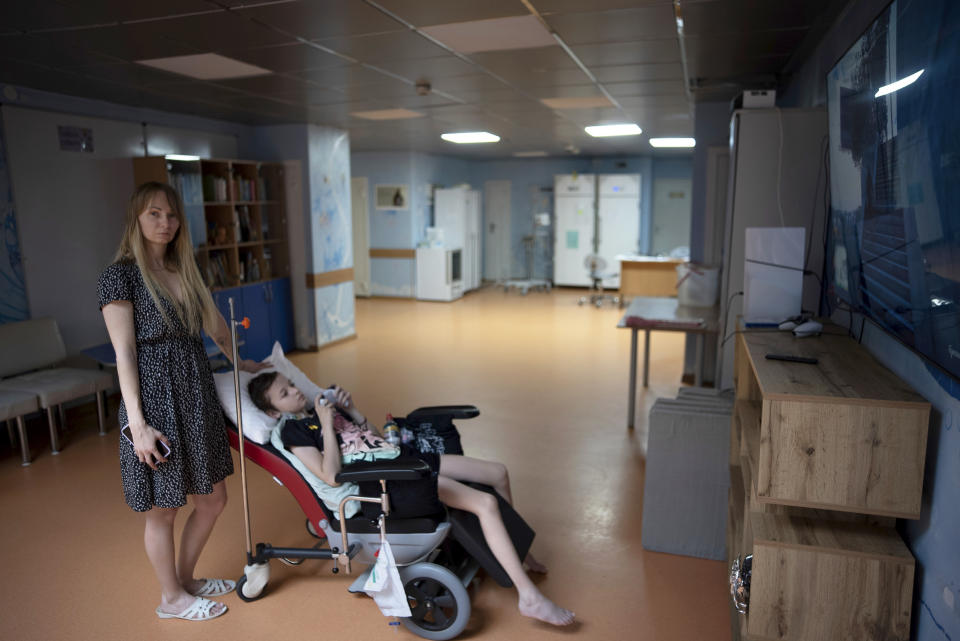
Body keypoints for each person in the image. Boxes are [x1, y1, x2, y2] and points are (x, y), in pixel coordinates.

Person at [247, 371, 576, 627]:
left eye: (290, 383)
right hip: (385, 482)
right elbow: (330, 475)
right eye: (284, 393)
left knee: (497, 472)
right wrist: (325, 425)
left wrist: (350, 410)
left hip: (400, 457)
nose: (295, 390)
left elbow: (373, 437)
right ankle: (529, 597)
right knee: (483, 503)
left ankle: (518, 549)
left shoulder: (325, 409)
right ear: (272, 411)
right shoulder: (294, 432)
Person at [98, 182, 267, 622]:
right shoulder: (121, 275)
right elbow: (125, 354)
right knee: (164, 509)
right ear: (136, 218)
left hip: (195, 395)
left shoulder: (185, 270)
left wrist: (242, 362)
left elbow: (217, 329)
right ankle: (171, 599)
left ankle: (186, 580)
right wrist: (137, 424)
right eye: (154, 214)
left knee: (211, 499)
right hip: (153, 402)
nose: (165, 223)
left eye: (171, 215)